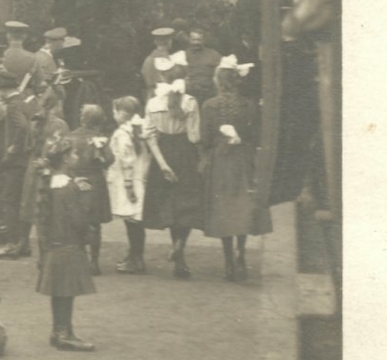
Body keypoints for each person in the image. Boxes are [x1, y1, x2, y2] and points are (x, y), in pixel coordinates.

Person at [201, 57, 271, 281]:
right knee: (242, 206)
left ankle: (229, 263)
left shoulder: (209, 106)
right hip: (243, 160)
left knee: (225, 209)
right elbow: (256, 135)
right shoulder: (248, 105)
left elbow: (205, 138)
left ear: (218, 81)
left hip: (221, 161)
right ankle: (241, 254)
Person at [34, 138, 98, 352]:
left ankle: (57, 331)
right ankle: (65, 333)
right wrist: (88, 233)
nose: (76, 157)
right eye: (73, 154)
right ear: (64, 159)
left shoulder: (51, 182)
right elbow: (78, 219)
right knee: (66, 291)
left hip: (53, 245)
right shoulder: (69, 188)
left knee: (58, 291)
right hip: (69, 244)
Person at [143, 57, 204, 279]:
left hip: (163, 152)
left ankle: (178, 250)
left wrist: (162, 164)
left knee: (168, 202)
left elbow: (148, 137)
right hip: (184, 151)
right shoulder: (190, 102)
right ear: (184, 77)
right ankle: (180, 245)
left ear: (161, 78)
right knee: (185, 204)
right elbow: (194, 136)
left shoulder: (152, 103)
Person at [0, 87, 70, 261]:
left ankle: (23, 244)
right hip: (52, 168)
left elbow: (28, 144)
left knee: (30, 207)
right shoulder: (59, 124)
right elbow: (62, 148)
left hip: (33, 168)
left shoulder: (35, 121)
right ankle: (51, 251)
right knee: (51, 210)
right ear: (57, 103)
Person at [68, 104, 116, 275]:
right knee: (94, 223)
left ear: (82, 119)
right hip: (95, 181)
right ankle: (94, 262)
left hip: (75, 180)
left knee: (75, 222)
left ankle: (79, 259)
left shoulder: (71, 137)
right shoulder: (100, 139)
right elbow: (110, 159)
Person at [0, 69, 31, 252]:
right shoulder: (23, 101)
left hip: (15, 162)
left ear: (3, 89)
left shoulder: (13, 105)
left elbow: (22, 127)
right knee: (21, 201)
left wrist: (14, 148)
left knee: (9, 201)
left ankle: (12, 243)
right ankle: (23, 243)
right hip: (24, 161)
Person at [108, 96, 152, 274]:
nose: (113, 115)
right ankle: (134, 254)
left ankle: (136, 258)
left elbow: (126, 160)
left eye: (115, 111)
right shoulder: (143, 127)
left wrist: (127, 186)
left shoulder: (121, 133)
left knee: (132, 222)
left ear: (122, 114)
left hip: (129, 181)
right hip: (141, 178)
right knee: (136, 222)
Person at [182, 23, 225, 104]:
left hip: (209, 94)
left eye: (199, 40)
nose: (196, 42)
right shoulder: (183, 55)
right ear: (189, 40)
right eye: (193, 40)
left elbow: (221, 74)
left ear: (204, 40)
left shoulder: (214, 54)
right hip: (189, 95)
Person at [140, 26, 178, 95]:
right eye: (170, 39)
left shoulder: (148, 59)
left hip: (151, 97)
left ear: (155, 42)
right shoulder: (167, 61)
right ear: (169, 41)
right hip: (164, 96)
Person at [1, 20, 36, 84]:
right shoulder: (32, 57)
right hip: (25, 92)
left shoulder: (1, 55)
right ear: (24, 37)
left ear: (8, 36)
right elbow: (39, 82)